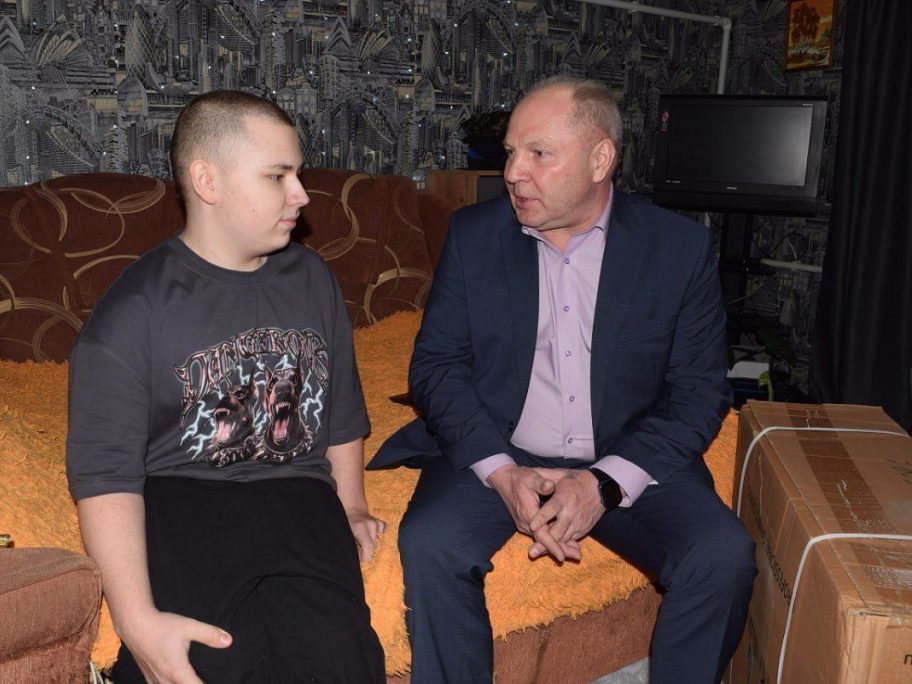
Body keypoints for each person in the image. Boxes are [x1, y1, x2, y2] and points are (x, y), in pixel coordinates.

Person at [369, 75, 757, 683]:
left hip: (625, 450)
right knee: (431, 543)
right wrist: (501, 472)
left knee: (722, 555)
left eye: (539, 154)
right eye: (510, 154)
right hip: (501, 443)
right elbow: (436, 367)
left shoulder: (677, 249)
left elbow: (700, 391)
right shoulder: (474, 236)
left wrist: (604, 484)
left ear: (601, 160)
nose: (513, 173)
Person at [66, 90, 386, 684]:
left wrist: (352, 505)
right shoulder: (133, 310)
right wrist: (136, 621)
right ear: (207, 181)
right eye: (277, 176)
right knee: (207, 663)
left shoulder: (312, 276)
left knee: (342, 663)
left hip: (299, 490)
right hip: (183, 495)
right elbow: (105, 475)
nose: (301, 195)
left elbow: (340, 408)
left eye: (298, 174)